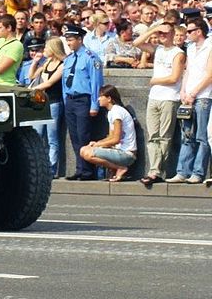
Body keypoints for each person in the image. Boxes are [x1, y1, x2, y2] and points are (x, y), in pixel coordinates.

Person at [132, 22, 185, 185]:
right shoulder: (159, 49)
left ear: (173, 34)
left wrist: (155, 80)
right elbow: (137, 43)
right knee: (152, 135)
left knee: (165, 136)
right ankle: (153, 170)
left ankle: (158, 170)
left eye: (166, 33)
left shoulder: (178, 53)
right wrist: (154, 29)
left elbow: (174, 77)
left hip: (170, 97)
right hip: (154, 97)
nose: (162, 35)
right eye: (160, 33)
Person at [166, 17, 212, 183]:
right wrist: (184, 91)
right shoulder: (191, 48)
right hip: (189, 95)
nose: (187, 34)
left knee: (202, 136)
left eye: (190, 31)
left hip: (204, 96)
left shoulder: (210, 46)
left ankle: (198, 172)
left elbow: (209, 74)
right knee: (187, 135)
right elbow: (188, 71)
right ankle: (182, 171)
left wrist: (194, 92)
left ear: (199, 31)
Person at [62, 24, 104, 180]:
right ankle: (80, 168)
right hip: (71, 100)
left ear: (80, 39)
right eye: (67, 40)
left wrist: (94, 104)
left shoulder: (90, 57)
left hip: (83, 100)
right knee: (74, 136)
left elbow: (96, 82)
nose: (69, 43)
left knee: (83, 135)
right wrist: (65, 99)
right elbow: (65, 82)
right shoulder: (69, 59)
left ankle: (88, 170)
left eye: (71, 40)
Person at [80, 85, 137, 182]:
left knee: (87, 153)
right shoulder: (112, 112)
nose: (98, 99)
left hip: (126, 154)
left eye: (101, 96)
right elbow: (110, 137)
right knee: (84, 149)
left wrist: (98, 145)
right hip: (119, 151)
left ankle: (120, 168)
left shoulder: (117, 112)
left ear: (109, 98)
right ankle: (117, 168)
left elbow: (116, 139)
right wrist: (96, 143)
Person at [30, 37, 66, 178]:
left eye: (46, 47)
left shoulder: (62, 65)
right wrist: (35, 62)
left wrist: (33, 90)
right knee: (37, 135)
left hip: (53, 102)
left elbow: (50, 83)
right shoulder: (47, 62)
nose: (44, 50)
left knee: (52, 137)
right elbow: (32, 75)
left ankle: (51, 168)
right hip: (41, 103)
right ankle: (38, 167)